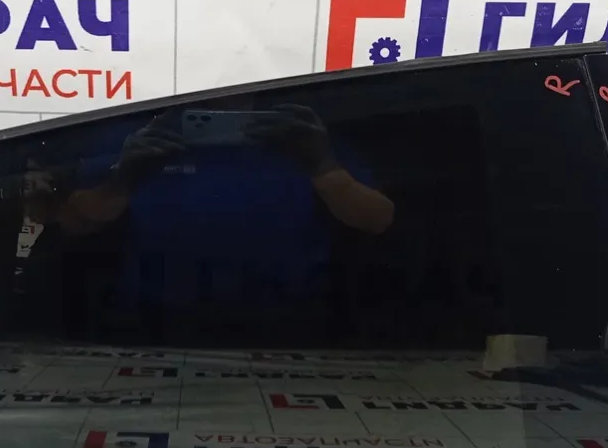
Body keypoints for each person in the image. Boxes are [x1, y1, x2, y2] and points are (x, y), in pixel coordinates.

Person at [31, 104, 395, 343]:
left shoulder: (301, 134)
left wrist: (322, 166)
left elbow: (377, 219)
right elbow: (76, 223)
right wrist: (125, 178)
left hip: (290, 318)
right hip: (154, 318)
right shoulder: (134, 135)